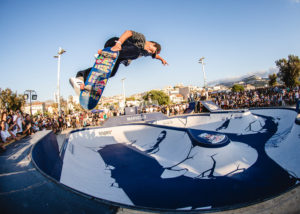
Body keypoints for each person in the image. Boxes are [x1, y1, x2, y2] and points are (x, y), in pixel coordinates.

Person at [70, 30, 168, 95]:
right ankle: (106, 54)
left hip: (117, 56)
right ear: (152, 43)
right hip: (114, 43)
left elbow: (155, 56)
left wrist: (162, 59)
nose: (150, 52)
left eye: (152, 53)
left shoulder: (147, 52)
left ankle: (81, 78)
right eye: (152, 50)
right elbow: (128, 32)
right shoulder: (142, 39)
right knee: (136, 52)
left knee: (111, 73)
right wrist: (119, 44)